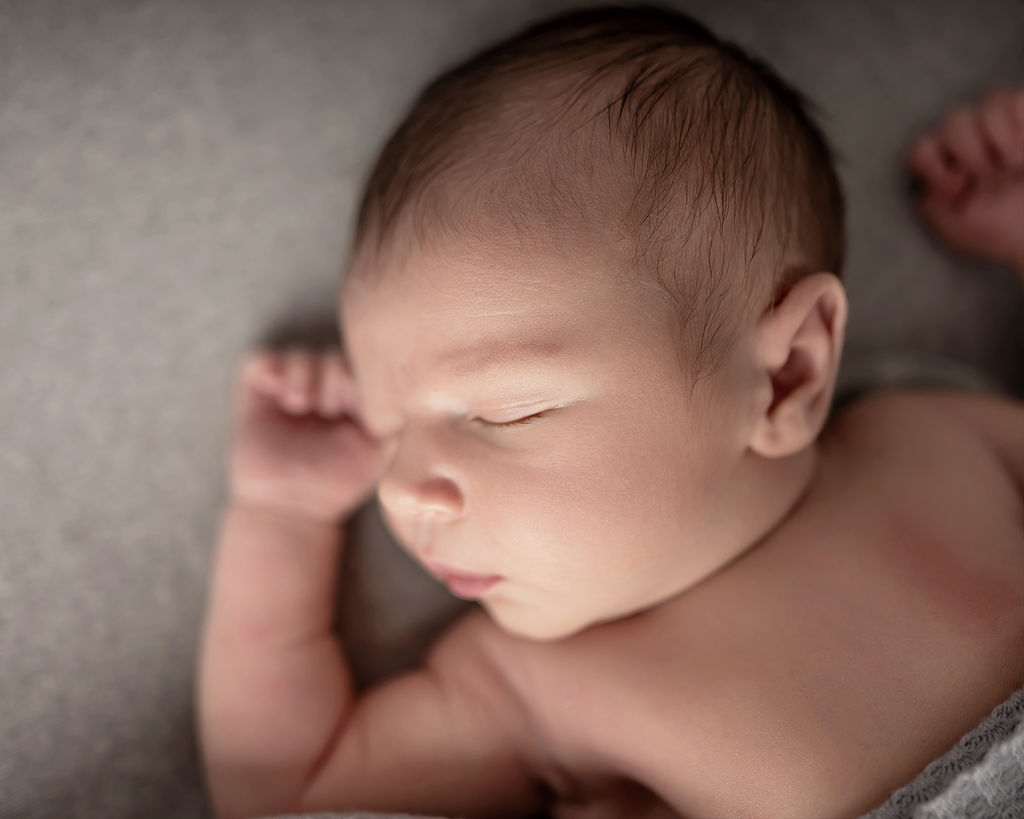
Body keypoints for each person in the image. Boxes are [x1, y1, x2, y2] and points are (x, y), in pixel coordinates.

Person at [196, 5, 1024, 818]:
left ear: (786, 376)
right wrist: (282, 514)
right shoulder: (532, 681)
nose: (402, 492)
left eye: (506, 411)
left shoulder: (927, 436)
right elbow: (290, 788)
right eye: (384, 432)